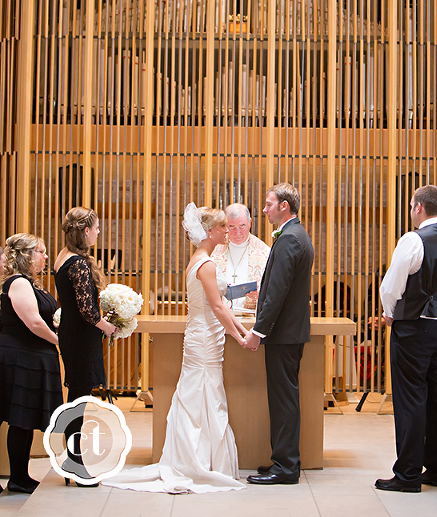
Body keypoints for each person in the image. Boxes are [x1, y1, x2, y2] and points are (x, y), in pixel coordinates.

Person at [104, 204, 247, 494]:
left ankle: (194, 457)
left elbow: (218, 306)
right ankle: (198, 461)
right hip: (205, 337)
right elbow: (218, 307)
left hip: (201, 334)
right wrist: (240, 336)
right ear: (209, 232)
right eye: (222, 226)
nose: (226, 231)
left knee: (199, 391)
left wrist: (240, 331)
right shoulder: (206, 264)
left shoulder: (198, 260)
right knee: (204, 392)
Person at [375, 185, 437, 493]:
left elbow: (391, 286)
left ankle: (408, 474)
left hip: (414, 327)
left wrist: (389, 313)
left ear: (418, 208)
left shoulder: (413, 239)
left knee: (410, 399)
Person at [244, 183, 314, 486]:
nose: (264, 210)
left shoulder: (289, 239)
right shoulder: (296, 235)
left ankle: (286, 466)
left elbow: (277, 292)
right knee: (284, 398)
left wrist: (258, 330)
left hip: (283, 334)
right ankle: (283, 460)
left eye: (269, 204)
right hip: (289, 333)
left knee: (283, 400)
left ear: (284, 206)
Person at [53, 207, 116, 485]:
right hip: (80, 337)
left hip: (71, 333)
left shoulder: (63, 256)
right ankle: (75, 464)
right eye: (97, 228)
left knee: (76, 398)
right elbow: (88, 311)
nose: (99, 232)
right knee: (78, 402)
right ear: (86, 231)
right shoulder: (78, 263)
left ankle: (73, 460)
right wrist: (108, 326)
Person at [0, 233, 62, 494]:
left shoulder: (32, 283)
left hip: (31, 357)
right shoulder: (18, 282)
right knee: (19, 419)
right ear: (26, 255)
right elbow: (34, 322)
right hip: (18, 357)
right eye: (40, 251)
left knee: (23, 420)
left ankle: (19, 477)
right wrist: (59, 341)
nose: (45, 256)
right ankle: (17, 477)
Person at [211, 203, 270, 311]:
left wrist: (261, 294)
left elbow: (274, 289)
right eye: (231, 227)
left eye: (242, 226)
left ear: (249, 223)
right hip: (220, 315)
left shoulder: (265, 252)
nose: (237, 233)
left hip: (251, 315)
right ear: (225, 226)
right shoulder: (214, 251)